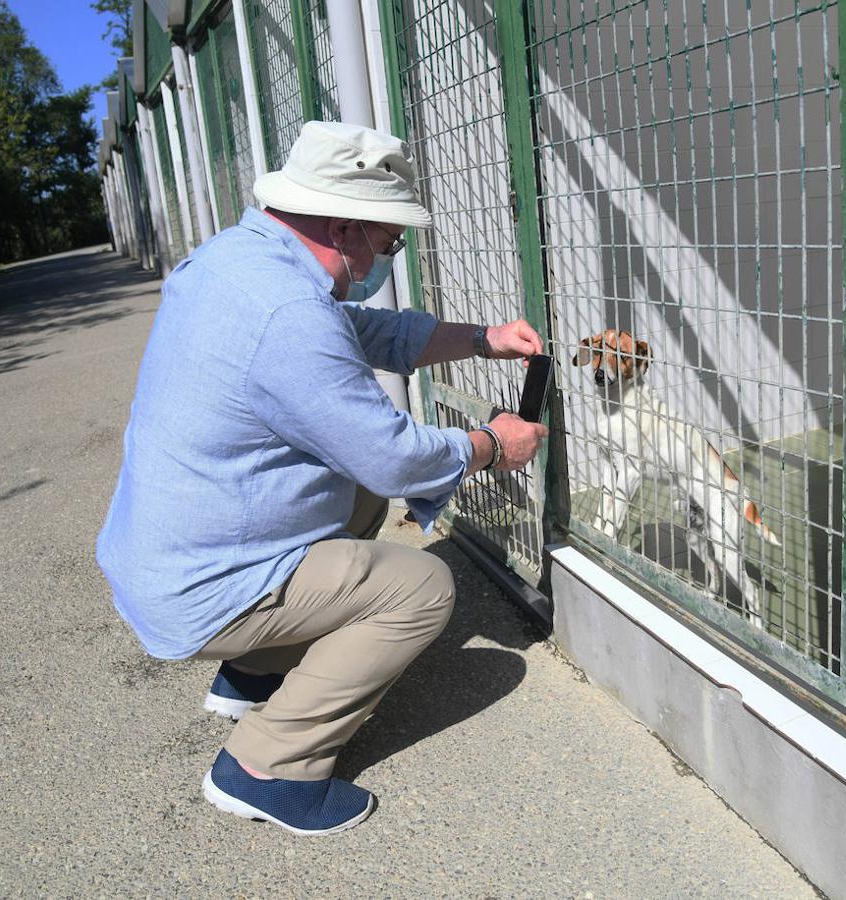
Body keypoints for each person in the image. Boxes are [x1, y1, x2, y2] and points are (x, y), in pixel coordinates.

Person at [95, 120, 549, 836]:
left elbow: (362, 334)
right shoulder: (287, 313)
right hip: (199, 585)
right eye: (388, 240)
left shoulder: (236, 261)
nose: (386, 256)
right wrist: (493, 444)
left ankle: (256, 672)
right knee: (423, 590)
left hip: (167, 552)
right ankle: (265, 767)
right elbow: (393, 456)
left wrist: (482, 339)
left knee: (356, 489)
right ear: (344, 228)